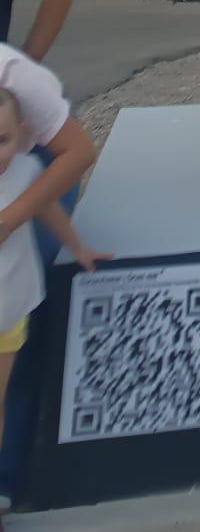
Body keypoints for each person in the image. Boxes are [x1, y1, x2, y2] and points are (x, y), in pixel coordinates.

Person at [0, 87, 105, 486]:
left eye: (3, 140)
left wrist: (78, 248)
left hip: (9, 313)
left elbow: (51, 212)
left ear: (23, 133)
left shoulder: (27, 172)